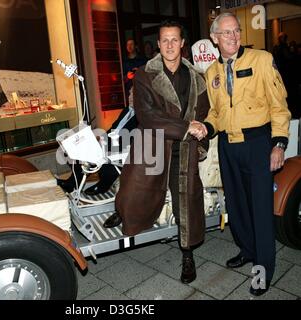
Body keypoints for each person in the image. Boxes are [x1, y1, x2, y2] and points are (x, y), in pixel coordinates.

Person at [106, 20, 211, 285]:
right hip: (152, 143)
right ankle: (123, 211)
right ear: (158, 43)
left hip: (183, 149)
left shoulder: (197, 77)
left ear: (183, 43)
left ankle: (187, 253)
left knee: (185, 201)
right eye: (164, 40)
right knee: (133, 190)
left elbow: (205, 112)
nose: (169, 45)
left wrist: (201, 133)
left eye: (174, 39)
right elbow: (148, 116)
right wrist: (188, 127)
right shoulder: (144, 74)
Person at [195, 12, 291, 296]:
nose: (233, 37)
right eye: (226, 33)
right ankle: (247, 251)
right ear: (214, 38)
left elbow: (279, 106)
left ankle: (263, 269)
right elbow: (216, 113)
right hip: (228, 146)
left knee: (261, 210)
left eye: (236, 31)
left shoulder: (260, 60)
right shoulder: (211, 72)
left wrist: (279, 144)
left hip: (258, 144)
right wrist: (206, 127)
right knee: (236, 207)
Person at [57, 88, 138, 195]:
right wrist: (100, 139)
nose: (130, 97)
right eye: (129, 93)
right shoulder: (126, 111)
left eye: (134, 94)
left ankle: (103, 184)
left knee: (91, 154)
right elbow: (113, 129)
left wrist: (106, 146)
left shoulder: (141, 117)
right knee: (69, 150)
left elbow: (132, 140)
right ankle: (73, 182)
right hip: (108, 144)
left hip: (121, 150)